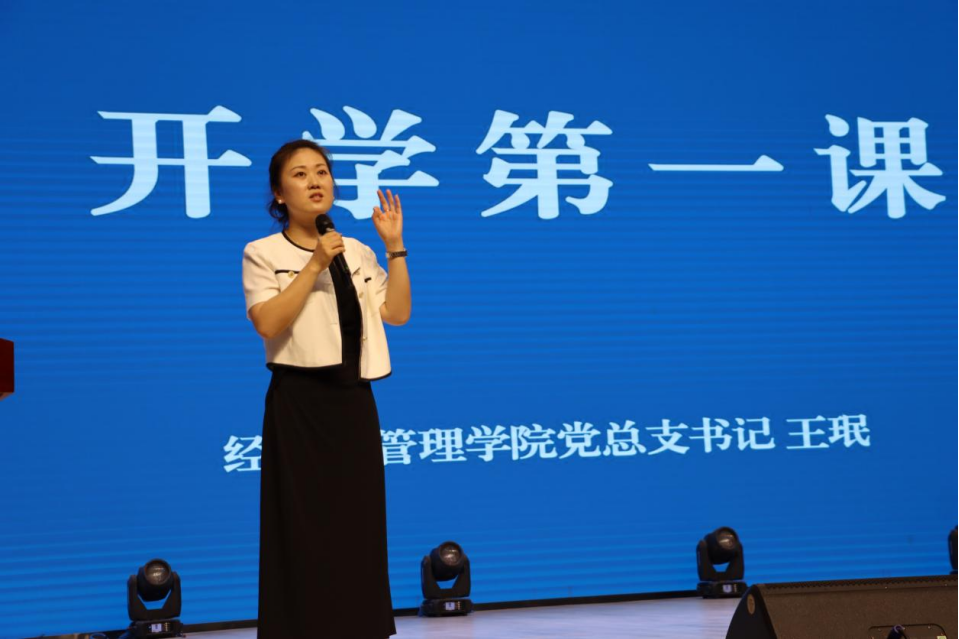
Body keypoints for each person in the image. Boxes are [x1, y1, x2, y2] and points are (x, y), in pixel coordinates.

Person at [242, 139, 410, 638]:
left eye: (322, 171)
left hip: (353, 400)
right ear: (279, 193)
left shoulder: (355, 249)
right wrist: (314, 264)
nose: (315, 181)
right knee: (301, 526)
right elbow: (267, 322)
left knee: (358, 524)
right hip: (299, 403)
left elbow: (397, 313)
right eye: (300, 174)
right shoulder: (262, 252)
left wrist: (394, 247)